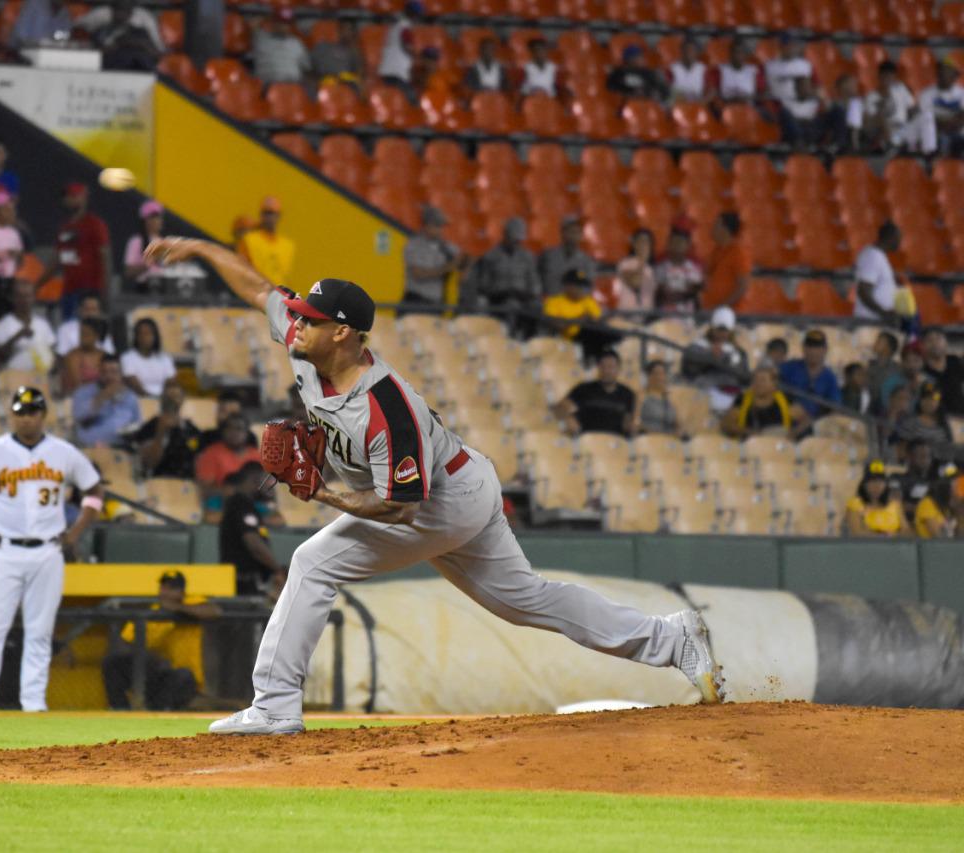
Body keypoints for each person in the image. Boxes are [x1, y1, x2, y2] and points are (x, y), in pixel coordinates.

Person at [147, 236, 725, 734]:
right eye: (297, 315)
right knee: (527, 600)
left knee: (312, 562)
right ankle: (673, 639)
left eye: (311, 319)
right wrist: (197, 248)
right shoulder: (306, 344)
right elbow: (257, 289)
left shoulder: (385, 408)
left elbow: (401, 509)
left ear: (345, 334)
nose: (295, 325)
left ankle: (274, 707)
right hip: (464, 483)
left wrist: (321, 492)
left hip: (439, 502)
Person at [0, 386, 103, 712]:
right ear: (12, 415)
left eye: (32, 411)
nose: (26, 418)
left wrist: (76, 531)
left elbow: (93, 489)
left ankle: (33, 703)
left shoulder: (64, 452)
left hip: (48, 551)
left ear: (43, 415)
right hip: (5, 550)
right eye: (20, 412)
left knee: (40, 630)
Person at [102, 570, 219, 710]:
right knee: (112, 662)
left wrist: (177, 608)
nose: (166, 592)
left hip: (182, 677)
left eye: (172, 588)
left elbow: (214, 611)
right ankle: (120, 710)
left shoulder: (190, 603)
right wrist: (148, 657)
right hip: (154, 674)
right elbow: (125, 641)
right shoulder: (153, 611)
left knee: (182, 675)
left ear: (182, 592)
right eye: (163, 587)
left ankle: (163, 711)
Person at [219, 462, 286, 596]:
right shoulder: (240, 503)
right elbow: (253, 542)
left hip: (245, 581)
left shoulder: (246, 504)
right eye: (265, 479)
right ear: (255, 479)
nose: (269, 485)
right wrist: (277, 569)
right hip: (241, 582)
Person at [51, 183, 111, 320]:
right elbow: (57, 260)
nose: (71, 200)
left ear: (84, 198)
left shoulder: (95, 224)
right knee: (69, 330)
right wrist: (37, 286)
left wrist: (105, 292)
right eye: (68, 197)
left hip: (90, 291)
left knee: (88, 330)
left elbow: (105, 258)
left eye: (75, 196)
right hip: (69, 290)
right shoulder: (65, 228)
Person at [464, 217, 539, 321]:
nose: (517, 243)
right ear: (505, 235)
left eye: (519, 240)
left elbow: (534, 283)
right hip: (497, 298)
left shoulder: (528, 257)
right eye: (514, 239)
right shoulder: (491, 256)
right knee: (484, 303)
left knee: (537, 306)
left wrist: (528, 296)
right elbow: (484, 284)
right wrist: (498, 293)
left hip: (522, 298)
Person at [130, 377, 201, 479]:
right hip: (159, 482)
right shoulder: (151, 426)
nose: (172, 401)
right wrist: (160, 432)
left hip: (187, 484)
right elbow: (149, 463)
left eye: (176, 397)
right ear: (162, 399)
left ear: (182, 399)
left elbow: (198, 460)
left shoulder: (191, 429)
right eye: (168, 398)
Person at [556, 349, 636, 437]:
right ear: (598, 368)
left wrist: (631, 426)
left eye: (611, 367)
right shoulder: (584, 389)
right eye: (603, 366)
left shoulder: (627, 394)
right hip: (586, 441)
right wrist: (568, 417)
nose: (607, 371)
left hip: (615, 444)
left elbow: (629, 423)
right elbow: (558, 409)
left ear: (619, 369)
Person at [721, 366, 809, 440]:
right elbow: (726, 425)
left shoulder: (786, 400)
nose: (758, 384)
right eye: (755, 380)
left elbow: (806, 421)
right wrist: (751, 432)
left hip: (779, 448)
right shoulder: (742, 399)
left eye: (763, 380)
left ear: (774, 384)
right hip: (748, 449)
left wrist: (792, 434)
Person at [72, 353, 140, 448]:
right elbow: (78, 417)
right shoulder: (83, 393)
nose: (109, 376)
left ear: (121, 374)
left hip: (123, 447)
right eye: (104, 372)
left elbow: (136, 424)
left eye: (114, 372)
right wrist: (102, 396)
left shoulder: (130, 396)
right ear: (99, 373)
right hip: (91, 447)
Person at [402, 204, 465, 305]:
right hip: (415, 301)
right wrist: (448, 267)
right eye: (437, 225)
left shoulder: (446, 246)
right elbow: (418, 274)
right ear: (426, 225)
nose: (441, 230)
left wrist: (465, 261)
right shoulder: (414, 245)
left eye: (442, 226)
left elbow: (462, 259)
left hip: (436, 302)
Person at [542, 268, 611, 358]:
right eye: (578, 286)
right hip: (564, 340)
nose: (581, 290)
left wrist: (592, 320)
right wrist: (581, 319)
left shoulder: (588, 301)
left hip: (588, 339)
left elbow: (598, 321)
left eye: (583, 286)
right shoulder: (553, 302)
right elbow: (557, 325)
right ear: (567, 286)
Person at [0, 280, 56, 373]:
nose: (24, 300)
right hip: (15, 377)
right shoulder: (5, 324)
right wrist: (17, 336)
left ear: (33, 298)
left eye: (27, 296)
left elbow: (51, 352)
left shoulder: (43, 324)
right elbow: (0, 357)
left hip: (40, 378)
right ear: (13, 298)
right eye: (20, 296)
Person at [194, 412, 260, 500]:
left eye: (239, 429)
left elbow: (266, 487)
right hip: (222, 504)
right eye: (229, 428)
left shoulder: (257, 455)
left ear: (247, 433)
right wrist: (225, 491)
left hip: (255, 503)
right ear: (223, 432)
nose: (234, 432)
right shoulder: (211, 453)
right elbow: (203, 489)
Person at [778, 329, 841, 419]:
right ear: (803, 348)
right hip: (786, 420)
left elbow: (835, 407)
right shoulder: (789, 367)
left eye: (818, 348)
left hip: (815, 425)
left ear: (825, 350)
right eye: (810, 347)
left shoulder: (830, 377)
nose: (813, 352)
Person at [238, 196, 295, 286]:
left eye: (272, 213)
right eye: (266, 213)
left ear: (279, 216)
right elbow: (241, 267)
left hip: (277, 292)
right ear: (261, 215)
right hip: (255, 289)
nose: (269, 217)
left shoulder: (287, 246)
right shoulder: (249, 240)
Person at [865, 61, 922, 152]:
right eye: (885, 76)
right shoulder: (871, 96)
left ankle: (927, 150)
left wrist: (917, 111)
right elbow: (871, 120)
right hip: (887, 129)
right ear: (879, 76)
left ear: (894, 77)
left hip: (904, 127)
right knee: (883, 121)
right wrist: (881, 108)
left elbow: (912, 108)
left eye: (890, 76)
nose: (887, 79)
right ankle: (893, 145)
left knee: (926, 115)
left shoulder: (900, 89)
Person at [845, 460, 910, 537]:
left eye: (881, 481)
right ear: (864, 484)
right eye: (872, 481)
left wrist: (893, 535)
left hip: (895, 546)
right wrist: (882, 536)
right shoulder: (855, 504)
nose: (877, 485)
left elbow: (907, 531)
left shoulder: (894, 504)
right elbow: (857, 533)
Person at [702, 213, 750, 310]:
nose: (712, 228)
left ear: (725, 230)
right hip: (711, 310)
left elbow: (743, 286)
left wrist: (722, 307)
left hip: (731, 313)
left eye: (716, 225)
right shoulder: (715, 251)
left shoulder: (739, 253)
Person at [537, 215, 594, 297]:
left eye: (578, 232)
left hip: (574, 305)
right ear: (562, 232)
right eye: (571, 231)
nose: (574, 235)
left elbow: (589, 287)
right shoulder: (547, 256)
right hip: (551, 304)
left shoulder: (586, 261)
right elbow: (536, 282)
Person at [894, 381, 954, 459]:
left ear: (939, 402)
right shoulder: (910, 423)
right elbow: (901, 450)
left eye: (933, 399)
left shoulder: (945, 426)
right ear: (920, 400)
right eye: (925, 398)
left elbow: (948, 451)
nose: (929, 402)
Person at [120, 317, 176, 398]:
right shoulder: (127, 358)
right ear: (136, 336)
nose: (144, 337)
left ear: (155, 336)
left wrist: (163, 398)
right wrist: (151, 398)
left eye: (148, 333)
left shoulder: (165, 358)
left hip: (163, 399)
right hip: (138, 399)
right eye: (141, 333)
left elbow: (171, 382)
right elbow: (134, 384)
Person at [252, 6, 310, 85]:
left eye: (287, 23)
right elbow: (252, 25)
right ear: (273, 22)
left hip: (293, 86)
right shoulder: (261, 39)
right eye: (280, 22)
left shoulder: (296, 43)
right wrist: (267, 18)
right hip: (268, 87)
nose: (284, 26)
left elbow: (307, 67)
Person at [919, 61, 964, 157]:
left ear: (954, 77)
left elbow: (962, 116)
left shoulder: (961, 93)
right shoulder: (926, 93)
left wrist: (952, 123)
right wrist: (947, 124)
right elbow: (927, 116)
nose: (943, 75)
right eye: (941, 72)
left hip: (958, 130)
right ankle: (930, 157)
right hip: (936, 131)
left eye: (948, 72)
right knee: (926, 121)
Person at [653, 229, 703, 312]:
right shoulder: (660, 268)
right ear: (669, 244)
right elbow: (657, 292)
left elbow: (696, 294)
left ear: (688, 245)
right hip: (664, 318)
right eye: (674, 242)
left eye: (680, 242)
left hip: (687, 318)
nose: (677, 246)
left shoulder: (694, 269)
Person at [376, 1, 420, 93]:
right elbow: (408, 47)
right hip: (397, 71)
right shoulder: (405, 27)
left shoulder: (396, 25)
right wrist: (418, 57)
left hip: (389, 69)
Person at [607, 228, 656, 310]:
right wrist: (642, 260)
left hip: (644, 317)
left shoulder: (650, 268)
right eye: (641, 241)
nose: (644, 245)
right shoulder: (625, 264)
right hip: (625, 316)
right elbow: (635, 282)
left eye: (647, 242)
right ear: (634, 244)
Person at [61, 316, 109, 397]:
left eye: (87, 334)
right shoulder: (73, 356)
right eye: (81, 334)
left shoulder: (104, 355)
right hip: (77, 398)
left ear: (96, 336)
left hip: (102, 398)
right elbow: (78, 385)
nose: (82, 338)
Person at [55, 293, 114, 359]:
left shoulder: (104, 330)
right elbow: (62, 354)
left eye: (94, 309)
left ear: (99, 312)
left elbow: (109, 355)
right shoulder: (65, 329)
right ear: (80, 310)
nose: (90, 313)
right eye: (87, 309)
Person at [123, 199, 166, 289]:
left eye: (160, 217)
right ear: (146, 220)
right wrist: (151, 261)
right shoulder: (136, 242)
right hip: (143, 289)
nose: (159, 221)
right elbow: (129, 272)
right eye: (155, 217)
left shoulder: (164, 242)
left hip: (163, 288)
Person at [921, 327, 964, 416]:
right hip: (937, 421)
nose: (935, 343)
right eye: (929, 340)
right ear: (923, 345)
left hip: (960, 418)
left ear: (946, 342)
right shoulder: (922, 371)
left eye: (938, 338)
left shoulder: (954, 361)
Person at [913, 465, 962, 539]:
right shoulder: (927, 503)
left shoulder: (951, 508)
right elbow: (938, 537)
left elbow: (961, 537)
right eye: (957, 486)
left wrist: (959, 512)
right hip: (930, 549)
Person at [310, 18, 361, 88]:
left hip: (346, 85)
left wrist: (355, 49)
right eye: (344, 29)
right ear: (339, 30)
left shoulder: (353, 52)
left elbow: (359, 73)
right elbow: (311, 68)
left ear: (354, 33)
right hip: (326, 83)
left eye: (349, 30)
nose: (346, 33)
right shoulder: (323, 47)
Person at [764, 36, 814, 105]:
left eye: (793, 45)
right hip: (780, 105)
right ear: (781, 47)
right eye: (787, 45)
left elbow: (814, 87)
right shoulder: (770, 65)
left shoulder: (805, 65)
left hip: (803, 103)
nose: (790, 48)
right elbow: (766, 88)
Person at [636, 360, 680, 436]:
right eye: (656, 373)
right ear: (648, 376)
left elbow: (678, 423)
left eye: (662, 373)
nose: (659, 377)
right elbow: (636, 423)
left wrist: (678, 432)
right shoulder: (641, 395)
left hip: (670, 440)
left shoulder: (670, 397)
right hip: (648, 439)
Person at [715, 38, 764, 104]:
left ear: (745, 55)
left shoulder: (753, 70)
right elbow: (715, 92)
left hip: (748, 106)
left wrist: (749, 97)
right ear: (731, 54)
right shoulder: (721, 70)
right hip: (727, 107)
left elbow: (762, 92)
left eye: (741, 52)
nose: (738, 55)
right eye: (736, 52)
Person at [867, 330, 901, 410]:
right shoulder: (870, 364)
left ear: (888, 348)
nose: (875, 343)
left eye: (879, 342)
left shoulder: (896, 370)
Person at [668, 38, 710, 103]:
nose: (689, 53)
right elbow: (668, 91)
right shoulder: (672, 68)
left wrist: (703, 101)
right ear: (682, 51)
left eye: (692, 50)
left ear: (697, 52)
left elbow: (712, 90)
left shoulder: (703, 69)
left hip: (697, 103)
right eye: (687, 50)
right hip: (677, 103)